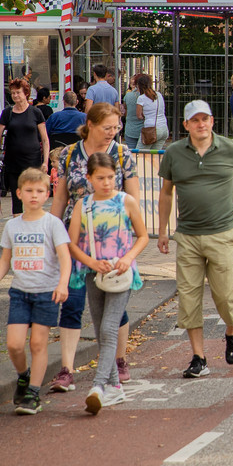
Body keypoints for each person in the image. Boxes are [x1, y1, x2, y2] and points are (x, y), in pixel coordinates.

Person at [158, 100, 233, 379]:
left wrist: (232, 188)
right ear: (186, 124)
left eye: (206, 119)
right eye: (195, 120)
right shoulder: (175, 153)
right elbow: (166, 192)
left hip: (221, 232)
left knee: (226, 295)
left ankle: (231, 330)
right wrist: (163, 230)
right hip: (187, 235)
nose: (201, 124)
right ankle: (198, 357)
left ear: (212, 121)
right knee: (188, 297)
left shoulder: (226, 147)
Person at [49, 102, 139, 393]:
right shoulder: (69, 154)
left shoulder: (123, 155)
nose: (113, 133)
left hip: (112, 243)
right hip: (75, 242)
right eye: (107, 127)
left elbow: (133, 202)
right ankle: (66, 368)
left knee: (113, 304)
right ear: (90, 124)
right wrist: (49, 233)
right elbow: (60, 198)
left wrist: (129, 248)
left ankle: (119, 360)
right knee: (72, 302)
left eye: (116, 127)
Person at [0, 167, 71, 416]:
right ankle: (24, 376)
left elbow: (65, 258)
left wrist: (62, 284)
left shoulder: (52, 224)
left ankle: (33, 394)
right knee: (14, 346)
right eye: (29, 190)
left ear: (47, 194)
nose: (34, 195)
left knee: (37, 344)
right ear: (19, 193)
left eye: (40, 191)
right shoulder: (12, 226)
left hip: (46, 293)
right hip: (20, 292)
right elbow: (5, 259)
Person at [68, 152, 148, 414]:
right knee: (101, 327)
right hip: (93, 273)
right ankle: (115, 388)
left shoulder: (127, 201)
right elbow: (71, 242)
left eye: (111, 177)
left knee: (110, 327)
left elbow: (142, 236)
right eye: (100, 178)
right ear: (89, 178)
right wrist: (91, 263)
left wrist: (127, 258)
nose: (106, 182)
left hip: (121, 274)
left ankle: (99, 385)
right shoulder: (84, 205)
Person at [0, 78, 49, 215]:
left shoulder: (35, 112)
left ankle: (33, 226)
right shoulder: (7, 113)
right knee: (17, 198)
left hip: (32, 162)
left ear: (26, 93)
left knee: (33, 196)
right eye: (13, 93)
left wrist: (46, 162)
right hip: (13, 162)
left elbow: (45, 139)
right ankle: (18, 227)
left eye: (18, 92)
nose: (15, 95)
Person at [134, 73, 169, 150]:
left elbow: (139, 116)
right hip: (163, 128)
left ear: (139, 85)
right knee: (155, 156)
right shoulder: (158, 95)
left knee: (139, 154)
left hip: (150, 130)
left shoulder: (141, 98)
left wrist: (145, 115)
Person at [122, 77, 143, 149]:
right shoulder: (150, 97)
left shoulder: (128, 95)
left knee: (131, 153)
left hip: (130, 130)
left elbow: (125, 109)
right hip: (144, 130)